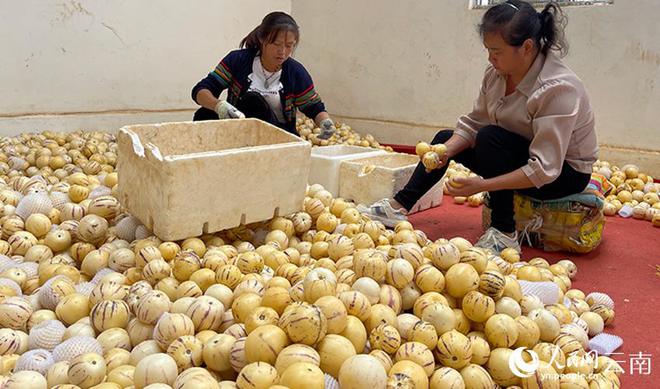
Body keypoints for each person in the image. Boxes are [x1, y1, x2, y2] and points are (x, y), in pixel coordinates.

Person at [362, 0, 598, 253]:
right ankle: (398, 207)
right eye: (488, 50)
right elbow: (474, 122)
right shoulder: (496, 74)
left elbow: (544, 169)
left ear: (527, 47)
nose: (490, 58)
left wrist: (482, 185)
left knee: (490, 139)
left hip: (563, 173)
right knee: (446, 138)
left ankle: (504, 232)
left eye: (496, 51)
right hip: (512, 152)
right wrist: (444, 151)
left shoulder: (558, 89)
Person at [191, 11, 337, 138]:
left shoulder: (295, 72)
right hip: (237, 130)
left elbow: (314, 107)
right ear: (262, 39)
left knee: (254, 102)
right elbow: (202, 90)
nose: (283, 52)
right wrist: (219, 106)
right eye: (276, 44)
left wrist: (326, 123)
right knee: (204, 115)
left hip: (277, 136)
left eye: (289, 45)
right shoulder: (238, 60)